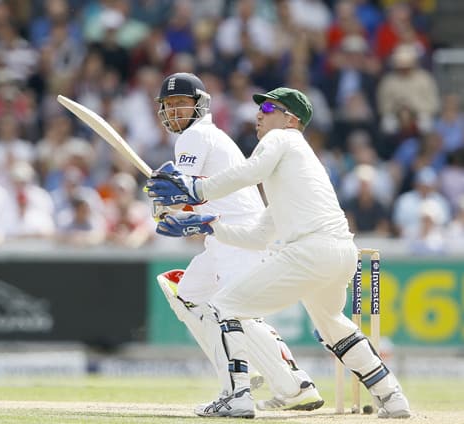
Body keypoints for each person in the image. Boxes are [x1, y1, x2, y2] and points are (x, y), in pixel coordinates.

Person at [146, 87, 410, 419]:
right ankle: (393, 397)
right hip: (342, 253)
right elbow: (259, 236)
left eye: (269, 107)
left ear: (291, 118)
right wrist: (209, 227)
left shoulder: (282, 138)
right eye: (260, 107)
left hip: (309, 251)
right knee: (335, 327)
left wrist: (196, 188)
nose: (260, 113)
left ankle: (238, 396)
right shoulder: (295, 168)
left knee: (225, 305)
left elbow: (248, 173)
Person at [152, 73, 324, 414]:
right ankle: (288, 385)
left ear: (199, 104)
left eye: (180, 103)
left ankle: (247, 392)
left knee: (233, 311)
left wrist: (163, 200)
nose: (174, 111)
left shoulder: (195, 136)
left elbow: (188, 192)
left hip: (239, 235)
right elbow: (191, 196)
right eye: (168, 105)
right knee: (188, 296)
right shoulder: (204, 137)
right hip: (223, 237)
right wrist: (164, 200)